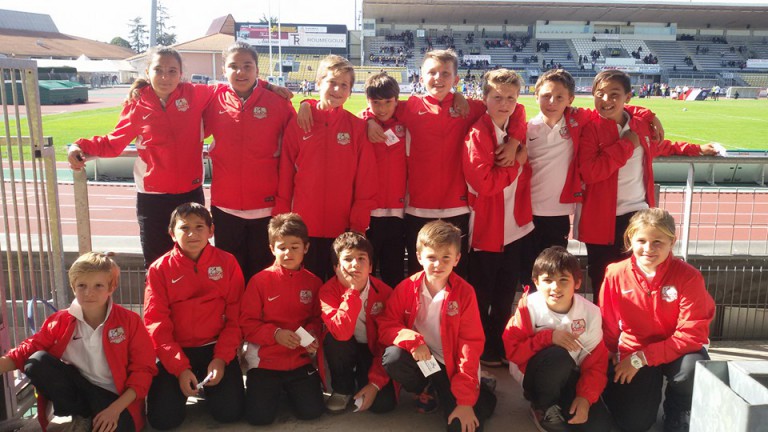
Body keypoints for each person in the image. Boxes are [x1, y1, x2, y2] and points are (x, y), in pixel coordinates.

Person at [365, 49, 526, 278]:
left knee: (456, 274)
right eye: (432, 72)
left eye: (445, 73)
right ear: (421, 77)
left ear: (456, 79)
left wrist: (514, 143)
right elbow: (377, 108)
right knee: (419, 275)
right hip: (417, 208)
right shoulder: (409, 107)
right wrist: (369, 120)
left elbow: (517, 110)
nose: (438, 78)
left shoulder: (470, 107)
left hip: (458, 207)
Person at [67, 47, 214, 268]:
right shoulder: (138, 104)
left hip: (190, 193)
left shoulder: (195, 94)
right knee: (156, 264)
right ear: (147, 72)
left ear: (181, 74)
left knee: (194, 260)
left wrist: (265, 87)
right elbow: (113, 143)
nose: (165, 77)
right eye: (158, 70)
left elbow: (232, 89)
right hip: (153, 199)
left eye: (172, 71)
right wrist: (79, 146)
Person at [577, 70, 718, 298]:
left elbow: (661, 147)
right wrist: (625, 146)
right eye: (600, 94)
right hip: (601, 220)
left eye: (614, 94)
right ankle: (605, 322)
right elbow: (590, 173)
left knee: (639, 279)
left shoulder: (640, 125)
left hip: (639, 216)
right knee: (603, 281)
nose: (606, 100)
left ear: (627, 97)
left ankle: (635, 321)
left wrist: (697, 149)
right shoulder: (590, 128)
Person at [525, 69, 659, 287]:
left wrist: (648, 115)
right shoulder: (525, 128)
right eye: (546, 96)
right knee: (531, 274)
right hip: (525, 214)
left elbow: (616, 108)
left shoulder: (578, 119)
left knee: (555, 273)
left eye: (559, 97)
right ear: (536, 95)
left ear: (570, 100)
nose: (552, 102)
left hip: (559, 214)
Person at [0, 252, 157, 432]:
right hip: (81, 389)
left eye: (98, 285)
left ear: (112, 287)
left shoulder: (130, 321)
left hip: (117, 398)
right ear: (73, 287)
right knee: (37, 361)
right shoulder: (61, 321)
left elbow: (143, 370)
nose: (89, 293)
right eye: (82, 285)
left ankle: (95, 419)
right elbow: (28, 350)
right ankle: (81, 415)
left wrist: (115, 410)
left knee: (119, 428)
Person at [600, 208, 715, 432]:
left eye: (658, 242)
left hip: (677, 350)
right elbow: (608, 320)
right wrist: (609, 352)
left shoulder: (689, 277)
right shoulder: (615, 273)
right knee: (634, 424)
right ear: (630, 239)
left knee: (692, 370)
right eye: (641, 240)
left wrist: (643, 358)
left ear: (672, 242)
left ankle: (678, 409)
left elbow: (692, 333)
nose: (648, 249)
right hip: (635, 348)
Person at [380, 220, 496, 432]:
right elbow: (387, 325)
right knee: (393, 357)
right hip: (425, 360)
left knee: (462, 425)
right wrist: (413, 342)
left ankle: (483, 389)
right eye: (431, 257)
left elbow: (469, 345)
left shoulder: (465, 293)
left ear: (457, 259)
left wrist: (465, 401)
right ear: (419, 257)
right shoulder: (406, 288)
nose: (438, 264)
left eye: (446, 258)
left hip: (454, 365)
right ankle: (427, 388)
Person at [276, 55, 379, 281]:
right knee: (304, 288)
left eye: (344, 85)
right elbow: (285, 174)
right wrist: (283, 220)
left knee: (339, 287)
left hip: (342, 228)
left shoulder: (357, 128)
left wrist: (357, 226)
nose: (337, 89)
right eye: (332, 82)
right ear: (318, 83)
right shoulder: (299, 124)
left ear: (350, 91)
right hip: (304, 228)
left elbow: (365, 181)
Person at [143, 202, 245, 430]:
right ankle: (190, 384)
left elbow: (236, 317)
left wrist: (221, 359)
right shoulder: (159, 269)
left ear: (211, 230)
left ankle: (209, 389)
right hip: (176, 350)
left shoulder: (228, 262)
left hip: (214, 348)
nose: (192, 234)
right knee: (163, 421)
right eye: (184, 228)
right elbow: (156, 324)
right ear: (172, 233)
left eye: (199, 227)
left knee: (230, 413)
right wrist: (179, 368)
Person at [204, 42, 297, 283]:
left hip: (266, 207)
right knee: (230, 277)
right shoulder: (213, 100)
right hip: (226, 207)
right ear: (223, 70)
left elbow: (296, 149)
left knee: (263, 277)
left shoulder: (278, 103)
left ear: (257, 69)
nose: (241, 72)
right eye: (233, 66)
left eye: (247, 66)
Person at [462, 69, 532, 367]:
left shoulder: (515, 124)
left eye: (510, 98)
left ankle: (499, 344)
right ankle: (479, 349)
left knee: (506, 292)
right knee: (483, 293)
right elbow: (485, 185)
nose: (504, 104)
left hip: (515, 225)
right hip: (487, 227)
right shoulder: (477, 134)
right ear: (484, 98)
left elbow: (521, 112)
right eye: (497, 97)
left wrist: (515, 143)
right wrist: (517, 164)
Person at [503, 246, 611, 432]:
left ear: (577, 283)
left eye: (563, 280)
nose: (555, 287)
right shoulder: (528, 307)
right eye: (547, 280)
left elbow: (596, 363)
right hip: (534, 374)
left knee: (597, 427)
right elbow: (514, 353)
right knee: (559, 356)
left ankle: (565, 400)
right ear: (536, 282)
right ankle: (542, 406)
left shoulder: (591, 313)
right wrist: (549, 337)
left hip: (571, 375)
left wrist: (585, 397)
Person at [239, 213, 325, 425]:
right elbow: (247, 323)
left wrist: (312, 334)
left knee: (312, 412)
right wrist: (275, 334)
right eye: (282, 247)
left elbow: (317, 318)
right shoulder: (259, 281)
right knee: (259, 419)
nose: (288, 253)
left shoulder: (314, 283)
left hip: (299, 360)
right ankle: (272, 391)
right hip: (265, 362)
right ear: (272, 249)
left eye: (295, 247)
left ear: (306, 247)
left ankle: (288, 391)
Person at [319, 231, 397, 414]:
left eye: (362, 258)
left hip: (373, 350)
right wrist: (353, 292)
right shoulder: (327, 291)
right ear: (336, 267)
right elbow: (341, 333)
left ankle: (364, 378)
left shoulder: (385, 292)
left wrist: (375, 383)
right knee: (333, 338)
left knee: (383, 405)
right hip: (344, 346)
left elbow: (388, 341)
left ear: (371, 267)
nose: (355, 264)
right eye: (348, 259)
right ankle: (342, 388)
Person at [359, 72, 407, 287]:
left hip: (398, 211)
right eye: (376, 102)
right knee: (366, 270)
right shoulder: (360, 124)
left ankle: (393, 308)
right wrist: (368, 119)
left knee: (393, 270)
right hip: (369, 211)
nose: (382, 108)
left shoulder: (406, 122)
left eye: (388, 102)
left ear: (396, 100)